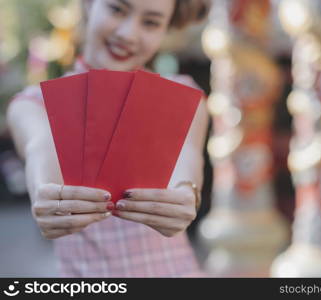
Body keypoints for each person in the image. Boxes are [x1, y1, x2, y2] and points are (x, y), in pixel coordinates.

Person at [6, 0, 211, 277]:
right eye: (117, 9)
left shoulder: (183, 97)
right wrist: (45, 195)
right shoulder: (33, 105)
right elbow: (40, 151)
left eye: (150, 22)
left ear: (166, 29)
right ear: (89, 4)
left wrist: (187, 194)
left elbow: (187, 166)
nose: (127, 34)